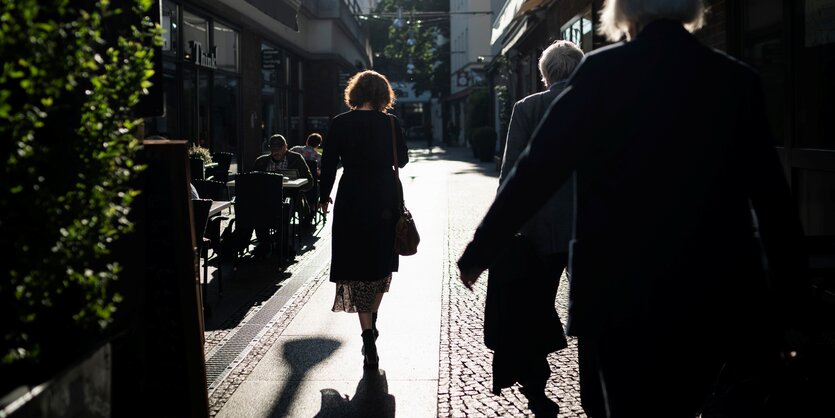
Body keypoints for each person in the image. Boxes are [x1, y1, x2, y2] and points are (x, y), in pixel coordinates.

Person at [457, 1, 809, 417]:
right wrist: (791, 307)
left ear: (625, 12)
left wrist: (482, 249)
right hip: (712, 284)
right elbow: (771, 199)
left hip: (618, 287)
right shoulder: (735, 78)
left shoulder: (603, 73)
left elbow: (538, 167)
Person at [488, 40, 584, 417]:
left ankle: (536, 379)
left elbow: (512, 171)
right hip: (587, 224)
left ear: (545, 74)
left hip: (537, 228)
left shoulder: (527, 108)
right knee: (591, 302)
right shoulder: (598, 105)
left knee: (536, 304)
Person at [318, 70, 409, 369]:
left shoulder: (340, 123)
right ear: (383, 94)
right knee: (380, 263)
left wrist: (323, 196)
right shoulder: (391, 123)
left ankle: (367, 333)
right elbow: (404, 160)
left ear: (355, 92)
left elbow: (329, 163)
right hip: (384, 197)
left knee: (356, 264)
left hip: (352, 198)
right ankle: (372, 325)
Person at [249, 134, 314, 256]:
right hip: (265, 198)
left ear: (286, 147)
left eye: (279, 149)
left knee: (284, 210)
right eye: (273, 149)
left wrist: (296, 184)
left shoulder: (296, 158)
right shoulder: (261, 161)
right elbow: (253, 181)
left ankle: (283, 245)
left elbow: (309, 182)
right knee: (256, 210)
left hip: (289, 198)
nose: (276, 152)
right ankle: (264, 243)